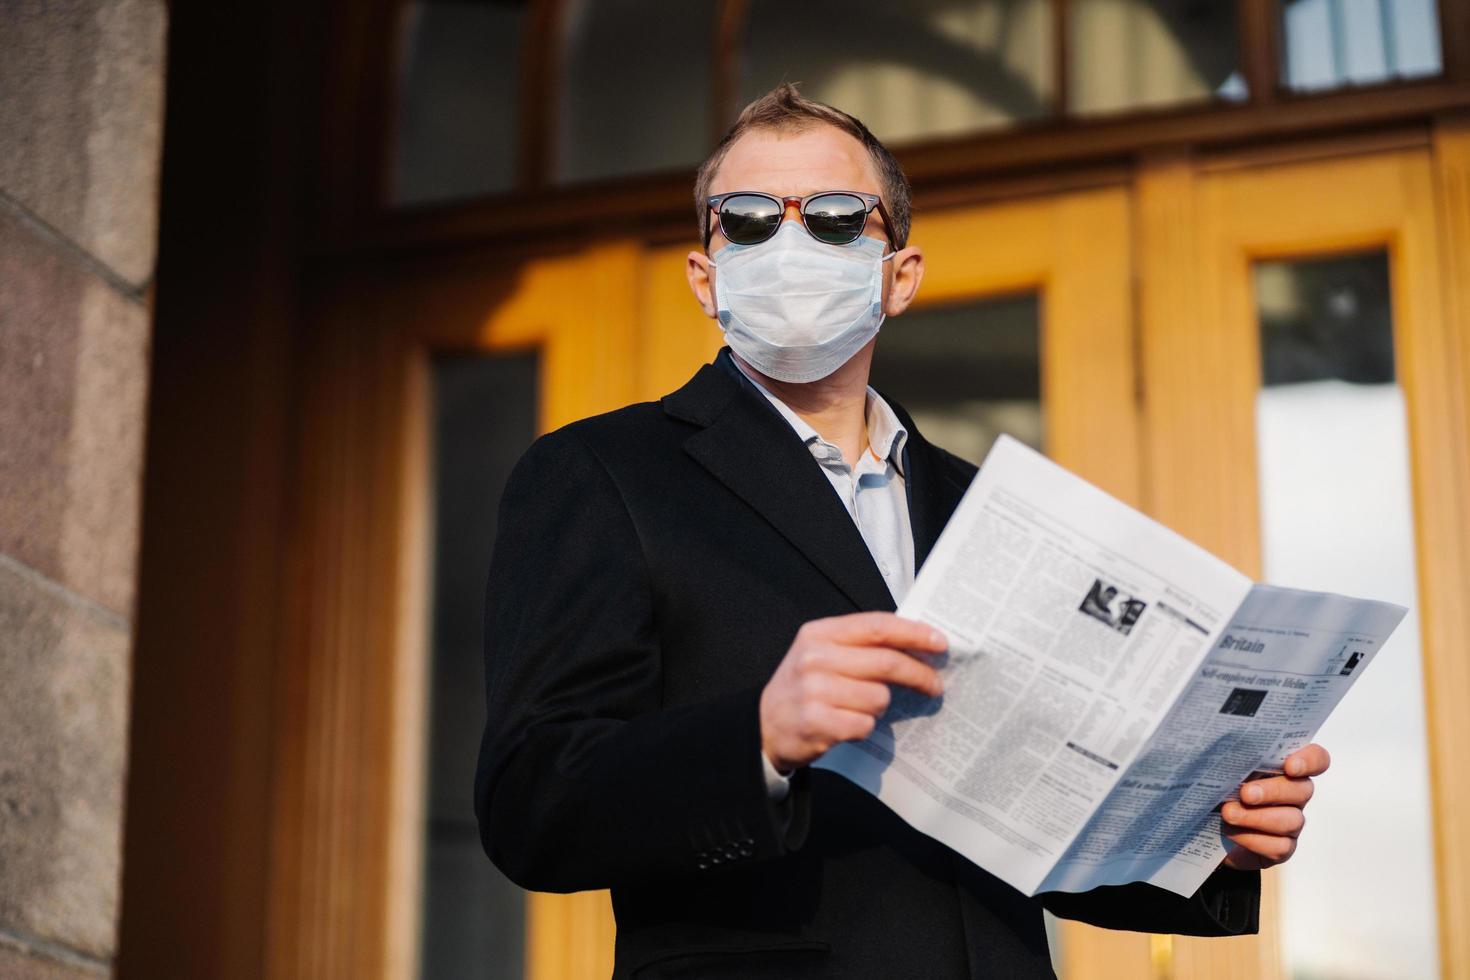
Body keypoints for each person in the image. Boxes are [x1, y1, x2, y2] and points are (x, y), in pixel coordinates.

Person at [475, 84, 1326, 979]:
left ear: (900, 274)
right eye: (751, 221)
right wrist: (757, 736)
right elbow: (533, 799)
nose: (793, 243)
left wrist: (1208, 844)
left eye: (840, 218)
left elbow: (1032, 815)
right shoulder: (603, 473)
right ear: (705, 273)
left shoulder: (985, 505)